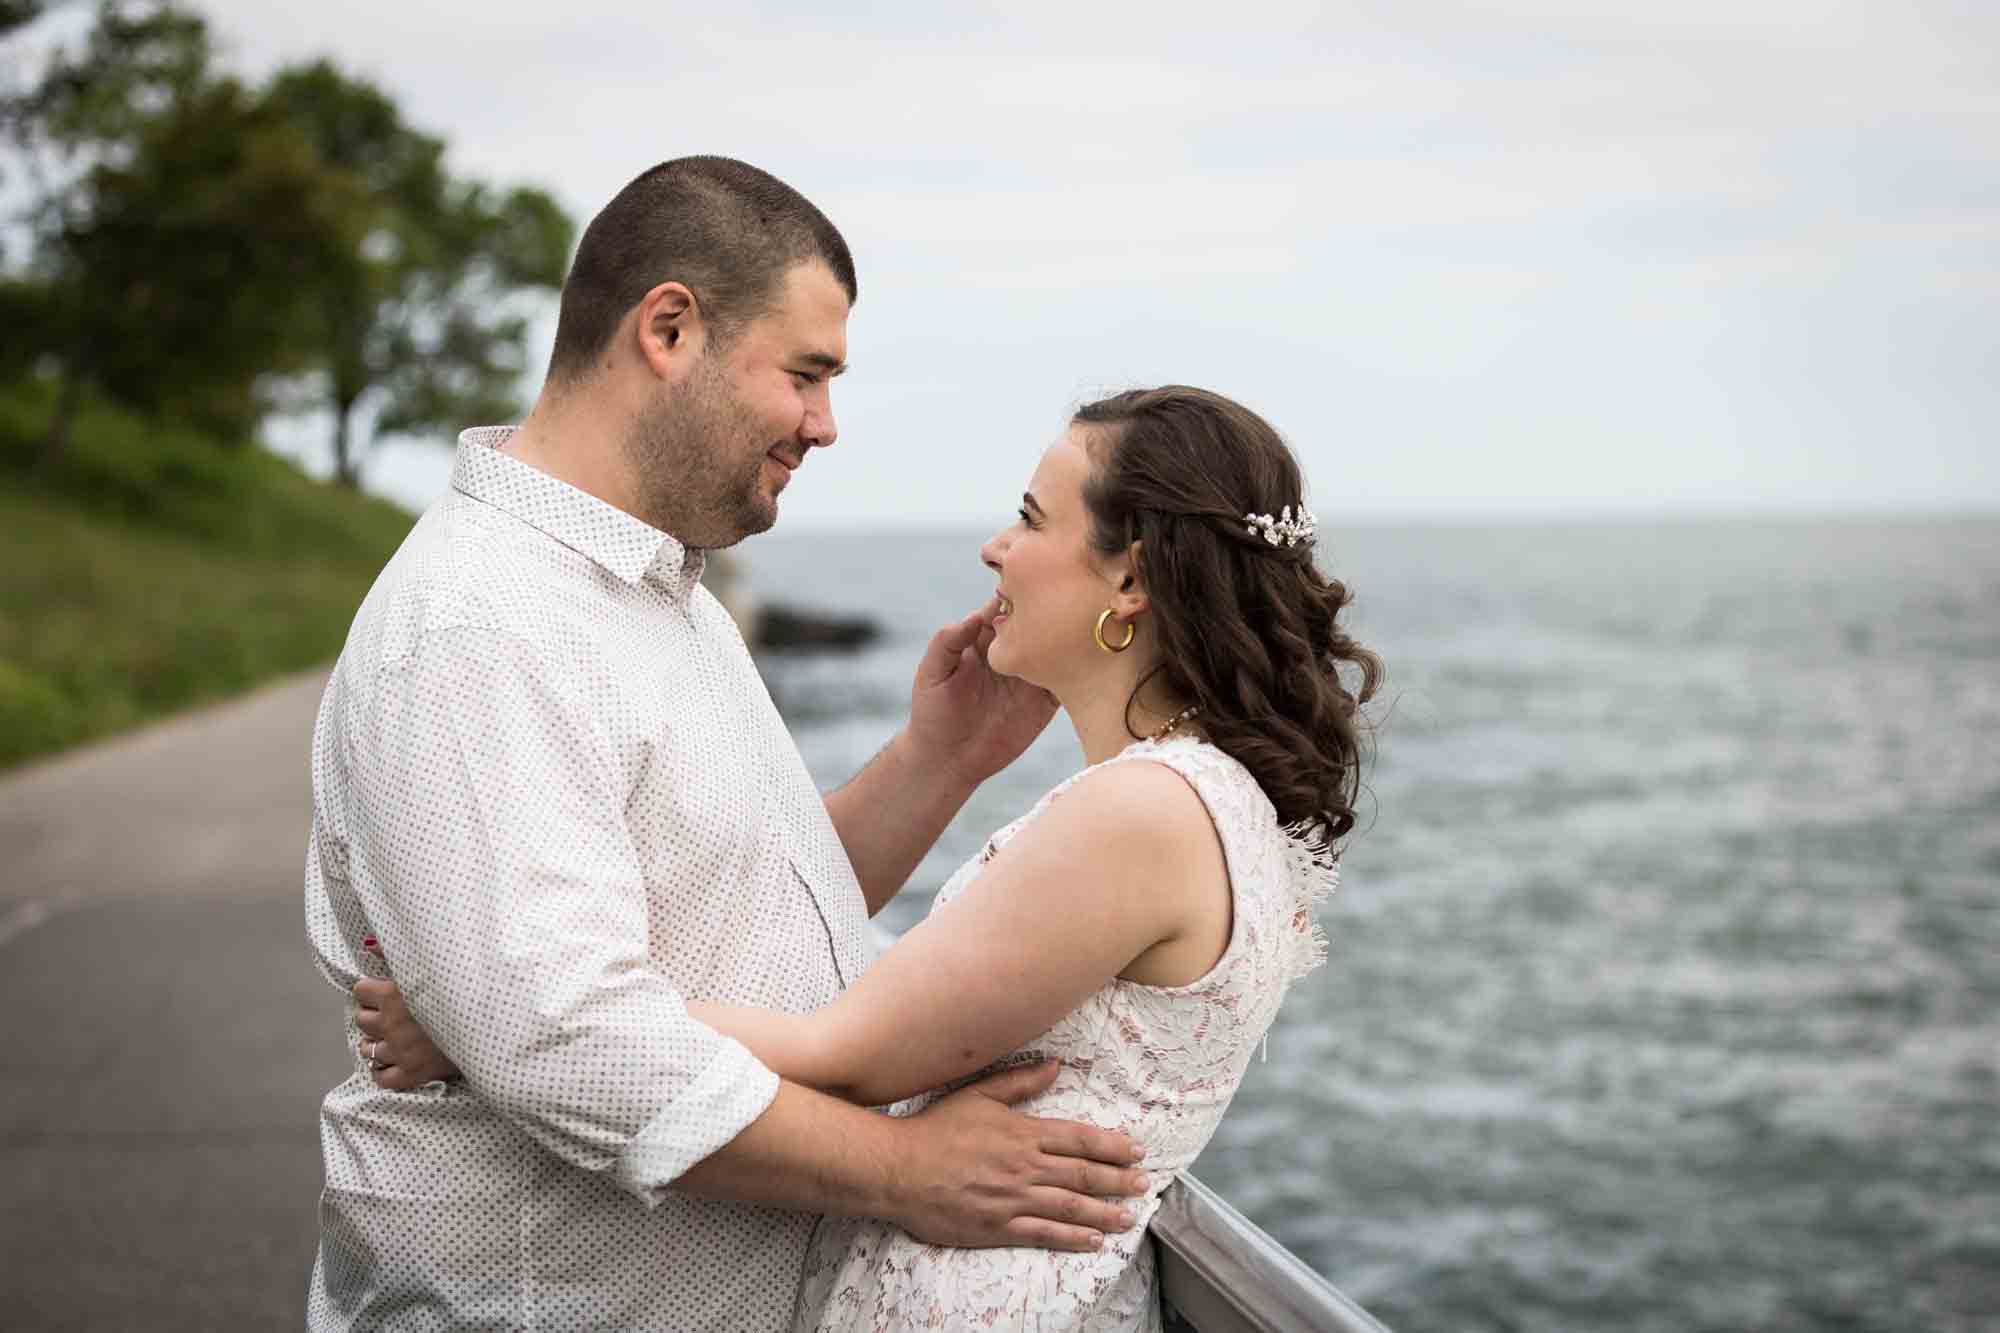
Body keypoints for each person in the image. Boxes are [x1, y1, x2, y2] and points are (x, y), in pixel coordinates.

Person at [302, 156, 1152, 1333]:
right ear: (668, 328)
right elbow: (567, 1039)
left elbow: (750, 910)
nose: (825, 425)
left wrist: (936, 759)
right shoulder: (478, 623)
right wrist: (909, 1172)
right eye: (805, 374)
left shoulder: (662, 591)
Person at [357, 385, 1384, 1329]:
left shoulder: (1139, 811)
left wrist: (482, 1016)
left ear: (1130, 575)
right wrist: (939, 756)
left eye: (1029, 518)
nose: (994, 548)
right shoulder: (1202, 797)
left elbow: (843, 1053)